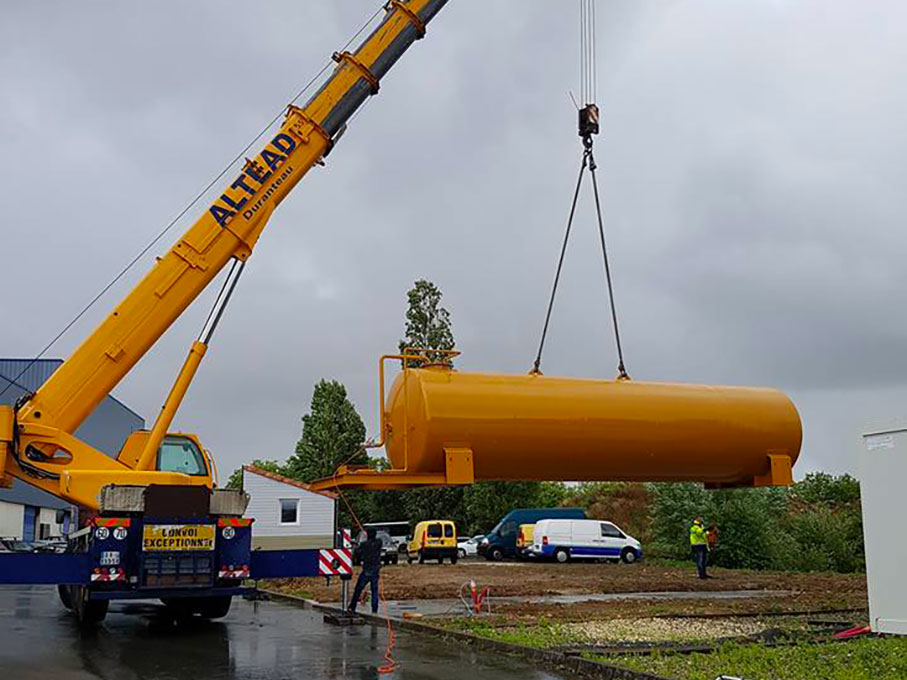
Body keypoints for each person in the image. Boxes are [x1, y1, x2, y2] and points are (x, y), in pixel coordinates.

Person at [348, 527, 383, 615]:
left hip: (366, 569)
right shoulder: (379, 542)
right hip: (375, 570)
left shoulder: (364, 544)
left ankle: (352, 607)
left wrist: (358, 545)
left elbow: (357, 552)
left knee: (358, 589)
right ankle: (374, 609)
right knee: (374, 590)